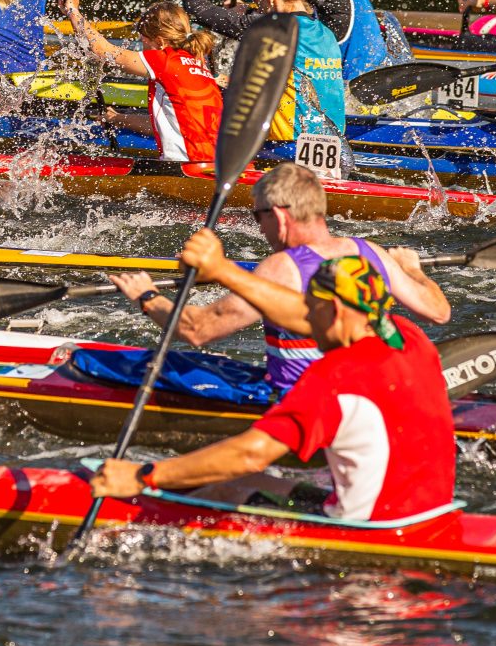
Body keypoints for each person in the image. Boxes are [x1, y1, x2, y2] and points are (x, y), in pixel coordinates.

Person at [90, 246, 454, 523]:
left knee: (221, 488)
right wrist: (224, 272)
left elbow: (250, 454)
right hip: (431, 513)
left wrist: (143, 476)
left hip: (366, 528)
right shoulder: (409, 336)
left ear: (337, 311)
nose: (305, 319)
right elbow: (292, 310)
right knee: (251, 483)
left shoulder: (332, 377)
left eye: (312, 309)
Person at [107, 164, 448, 391]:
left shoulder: (281, 267)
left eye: (258, 216)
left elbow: (198, 330)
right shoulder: (371, 252)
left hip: (302, 402)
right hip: (368, 393)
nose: (259, 226)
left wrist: (147, 296)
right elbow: (438, 312)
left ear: (281, 217)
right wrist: (413, 270)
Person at [178, 0, 344, 142]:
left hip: (287, 145)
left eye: (258, 1)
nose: (259, 8)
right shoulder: (324, 32)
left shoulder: (271, 28)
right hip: (334, 143)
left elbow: (196, 7)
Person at [61, 0, 221, 162]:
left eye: (143, 40)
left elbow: (102, 50)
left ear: (159, 42)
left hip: (193, 170)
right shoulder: (198, 63)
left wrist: (72, 10)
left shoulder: (165, 60)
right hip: (224, 165)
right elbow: (167, 125)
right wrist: (118, 118)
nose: (141, 46)